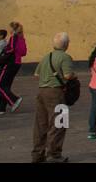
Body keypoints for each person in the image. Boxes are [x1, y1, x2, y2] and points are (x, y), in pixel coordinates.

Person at [32, 32, 76, 162]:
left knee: (41, 124)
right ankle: (54, 154)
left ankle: (37, 154)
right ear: (67, 44)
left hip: (42, 91)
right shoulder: (65, 57)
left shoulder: (46, 56)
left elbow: (36, 74)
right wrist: (74, 76)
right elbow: (68, 75)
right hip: (56, 92)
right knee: (59, 123)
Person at [0, 21, 26, 113]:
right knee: (6, 85)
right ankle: (1, 108)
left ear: (13, 28)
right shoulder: (22, 38)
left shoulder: (14, 37)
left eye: (10, 28)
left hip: (10, 63)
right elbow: (24, 52)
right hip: (17, 63)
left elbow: (11, 48)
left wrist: (4, 54)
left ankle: (14, 100)